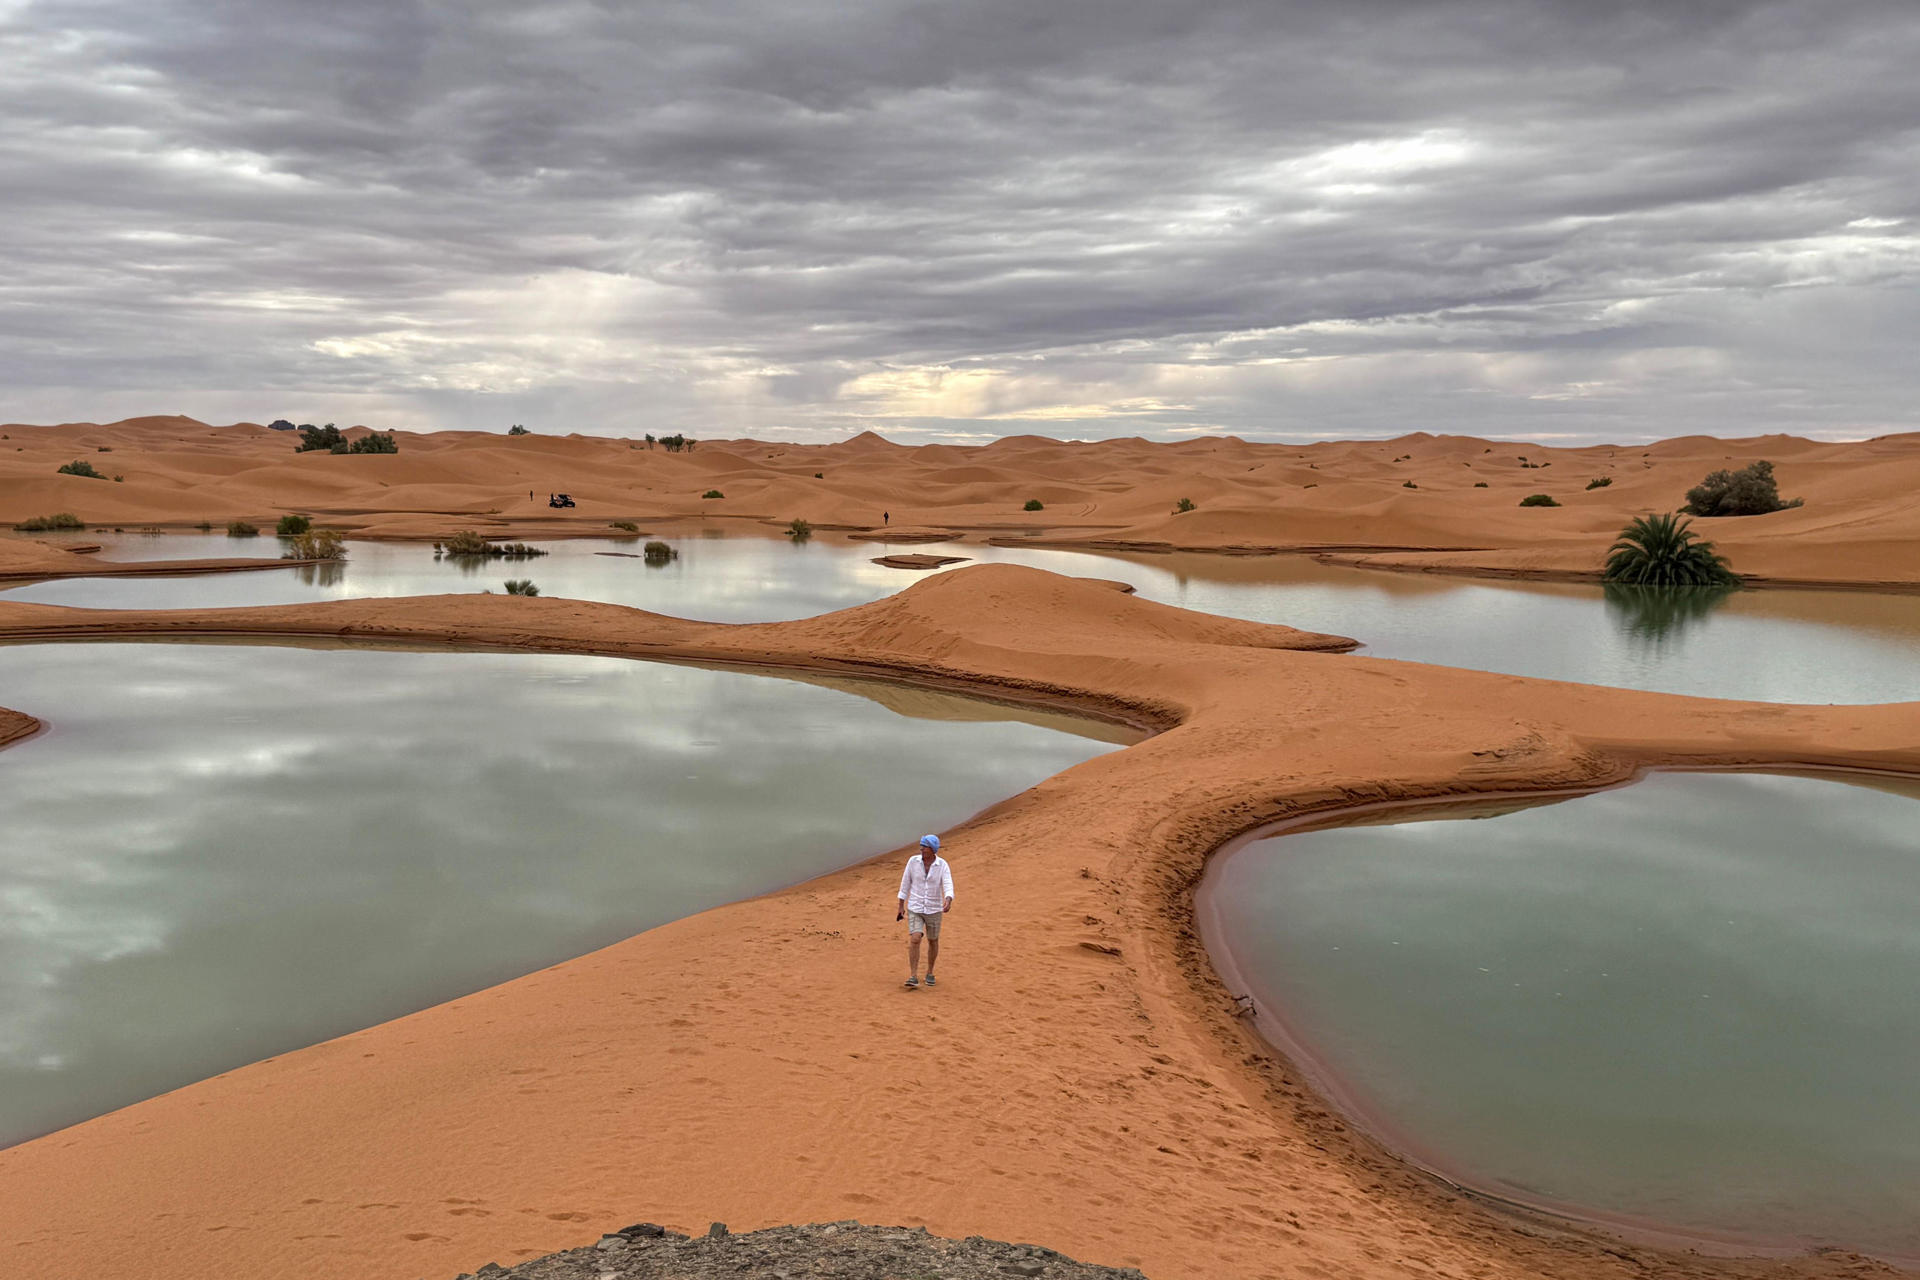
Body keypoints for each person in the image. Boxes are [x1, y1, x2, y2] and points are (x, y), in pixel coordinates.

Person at [896, 834, 954, 989]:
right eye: (921, 846)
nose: (921, 849)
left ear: (933, 849)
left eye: (925, 847)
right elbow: (905, 883)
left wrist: (948, 899)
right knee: (915, 938)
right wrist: (901, 905)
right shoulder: (912, 862)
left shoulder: (942, 865)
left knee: (933, 940)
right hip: (915, 907)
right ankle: (913, 975)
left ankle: (930, 972)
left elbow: (947, 883)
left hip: (934, 909)